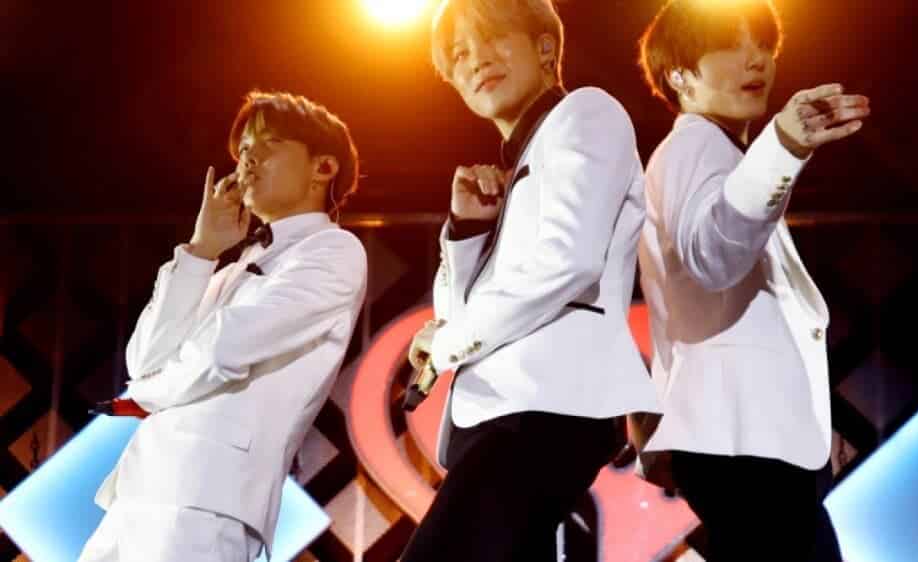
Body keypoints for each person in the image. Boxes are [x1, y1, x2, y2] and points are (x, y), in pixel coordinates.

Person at [400, 0, 661, 560]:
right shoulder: (514, 168)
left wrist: (445, 343)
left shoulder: (584, 113)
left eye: (492, 38)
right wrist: (467, 230)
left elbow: (569, 260)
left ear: (545, 47)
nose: (476, 60)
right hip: (502, 413)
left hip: (545, 407)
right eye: (459, 55)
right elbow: (456, 311)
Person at [79, 91, 368, 562]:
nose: (249, 159)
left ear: (323, 167)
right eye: (245, 149)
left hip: (206, 499)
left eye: (269, 144)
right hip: (141, 487)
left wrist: (146, 394)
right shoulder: (230, 269)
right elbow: (144, 359)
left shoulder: (333, 250)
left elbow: (220, 352)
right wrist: (201, 250)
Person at [635, 1, 871, 560]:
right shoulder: (695, 145)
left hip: (748, 439)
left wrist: (813, 423)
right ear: (679, 75)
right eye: (729, 45)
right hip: (739, 442)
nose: (755, 60)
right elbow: (711, 255)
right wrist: (783, 146)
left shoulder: (722, 154)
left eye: (763, 45)